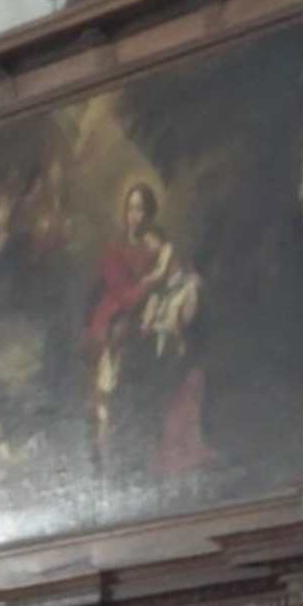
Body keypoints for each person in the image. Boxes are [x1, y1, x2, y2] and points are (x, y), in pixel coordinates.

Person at [86, 182, 212, 477]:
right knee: (111, 396)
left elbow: (175, 276)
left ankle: (156, 452)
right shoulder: (114, 251)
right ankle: (111, 459)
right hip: (117, 324)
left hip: (148, 329)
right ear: (124, 212)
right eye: (132, 208)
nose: (136, 216)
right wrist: (153, 282)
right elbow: (123, 294)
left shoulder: (158, 247)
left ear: (151, 214)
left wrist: (177, 279)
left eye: (142, 209)